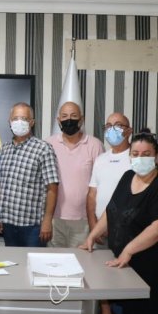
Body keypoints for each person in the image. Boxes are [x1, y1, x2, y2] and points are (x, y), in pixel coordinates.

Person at [80, 130, 158, 314]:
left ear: (156, 156)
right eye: (135, 154)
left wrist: (129, 250)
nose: (140, 158)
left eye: (146, 154)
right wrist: (92, 236)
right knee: (122, 312)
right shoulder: (127, 176)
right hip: (122, 262)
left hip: (150, 266)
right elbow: (112, 210)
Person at [0, 103, 59, 247]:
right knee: (12, 260)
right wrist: (0, 215)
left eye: (24, 119)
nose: (19, 122)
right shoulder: (4, 149)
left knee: (34, 260)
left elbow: (52, 188)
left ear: (32, 122)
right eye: (15, 118)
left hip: (33, 226)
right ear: (9, 122)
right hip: (8, 223)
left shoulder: (43, 148)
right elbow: (1, 185)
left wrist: (47, 220)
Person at [45, 101, 104, 248]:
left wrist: (95, 222)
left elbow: (101, 184)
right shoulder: (47, 144)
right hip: (55, 220)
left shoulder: (95, 145)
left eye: (73, 116)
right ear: (58, 120)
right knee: (55, 260)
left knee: (84, 260)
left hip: (84, 221)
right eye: (64, 116)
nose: (69, 120)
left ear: (81, 119)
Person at [87, 112, 133, 234]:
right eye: (108, 126)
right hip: (99, 229)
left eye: (118, 125)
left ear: (129, 131)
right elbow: (92, 195)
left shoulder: (136, 158)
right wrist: (93, 225)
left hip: (126, 230)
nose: (112, 130)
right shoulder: (100, 159)